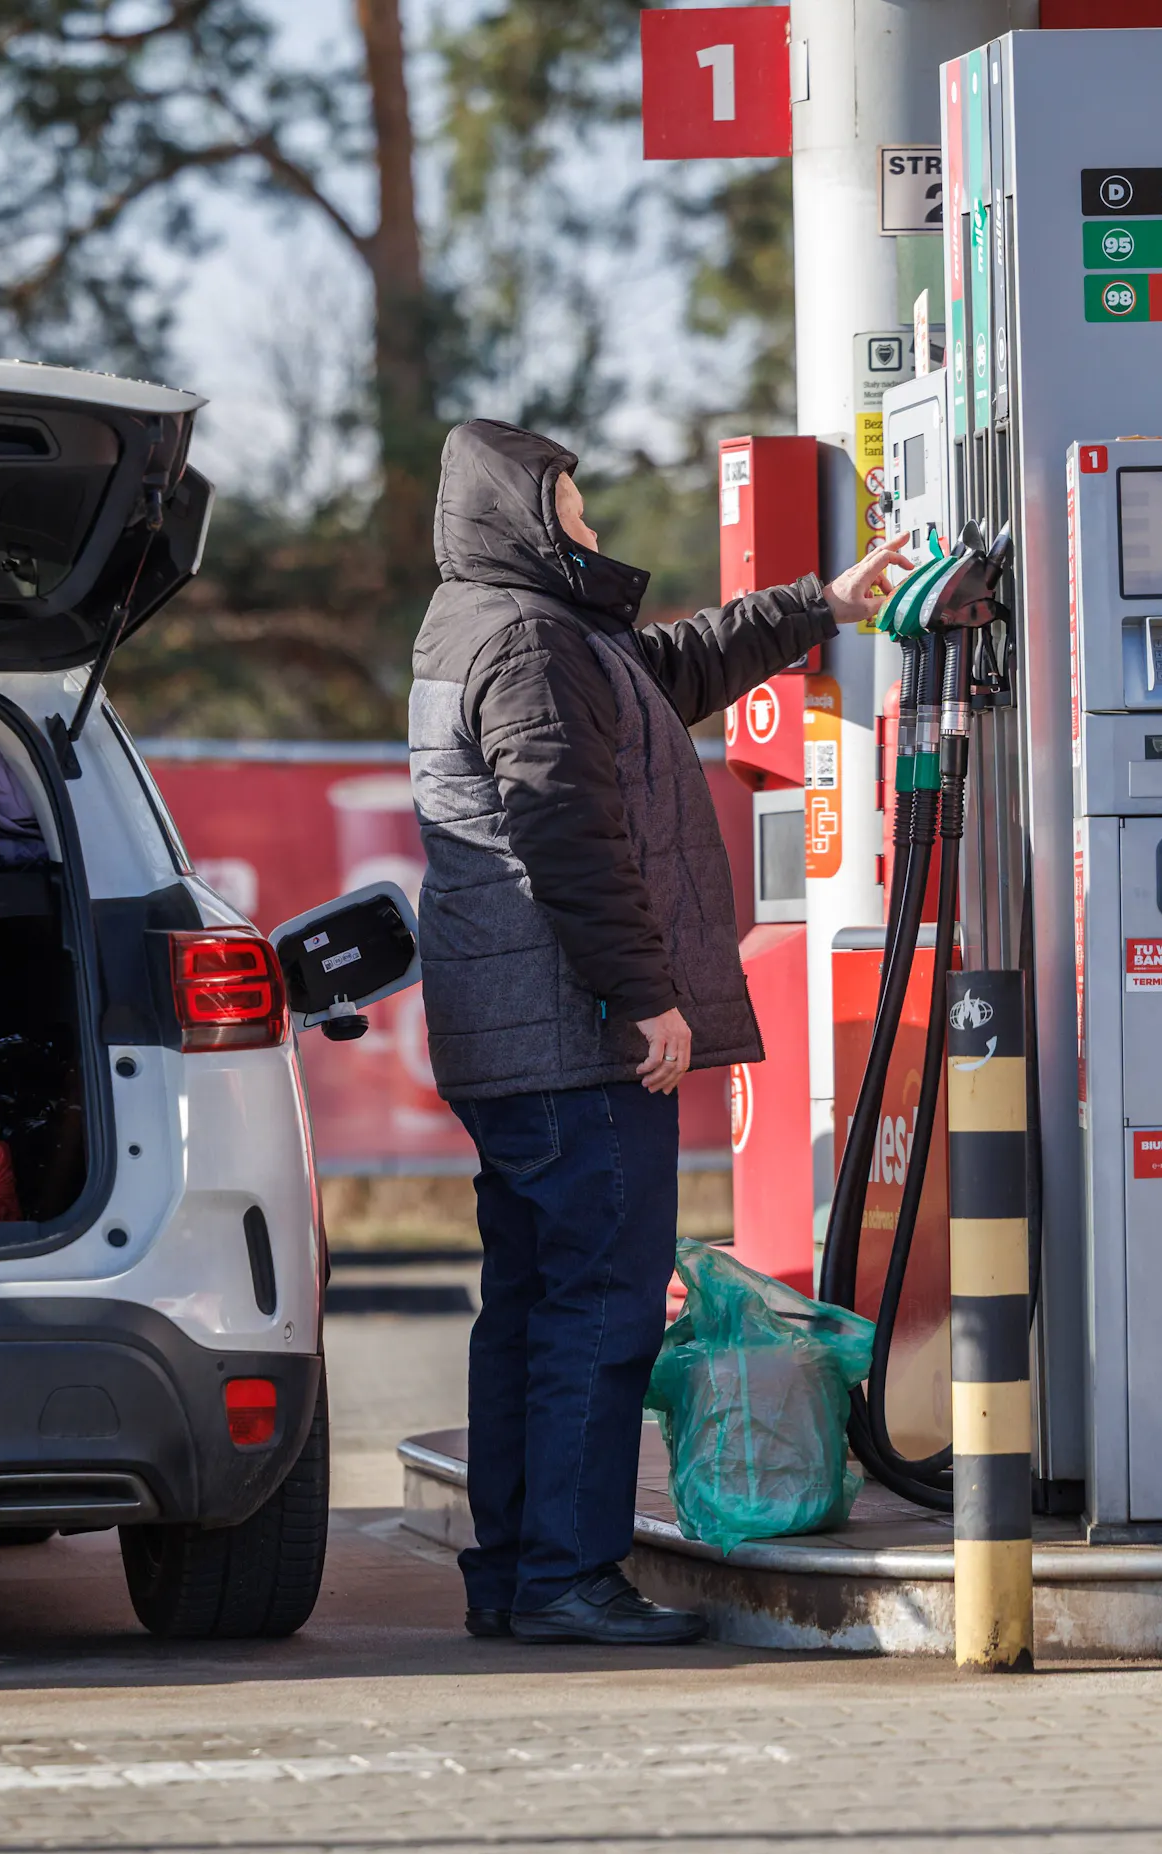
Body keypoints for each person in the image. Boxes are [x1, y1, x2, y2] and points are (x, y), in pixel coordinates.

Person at [409, 419, 910, 1645]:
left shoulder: (511, 625)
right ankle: (568, 1578)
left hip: (517, 1030)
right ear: (526, 515)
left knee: (531, 1302)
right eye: (572, 505)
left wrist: (822, 603)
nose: (589, 523)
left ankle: (520, 1571)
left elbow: (667, 672)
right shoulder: (526, 638)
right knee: (597, 1301)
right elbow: (561, 833)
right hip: (566, 1032)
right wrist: (640, 998)